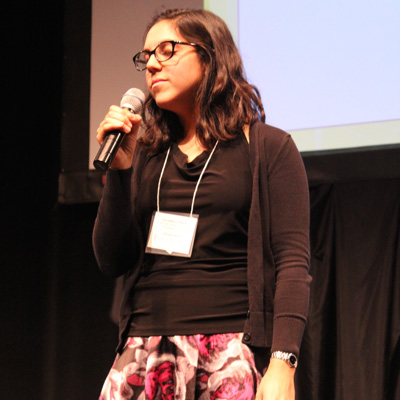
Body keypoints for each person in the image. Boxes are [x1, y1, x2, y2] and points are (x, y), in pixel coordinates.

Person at [93, 8, 311, 400]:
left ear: (210, 56)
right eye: (146, 57)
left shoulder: (268, 148)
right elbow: (112, 259)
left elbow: (293, 263)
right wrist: (121, 170)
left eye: (166, 50)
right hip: (145, 352)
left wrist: (282, 363)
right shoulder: (144, 154)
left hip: (229, 353)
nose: (152, 64)